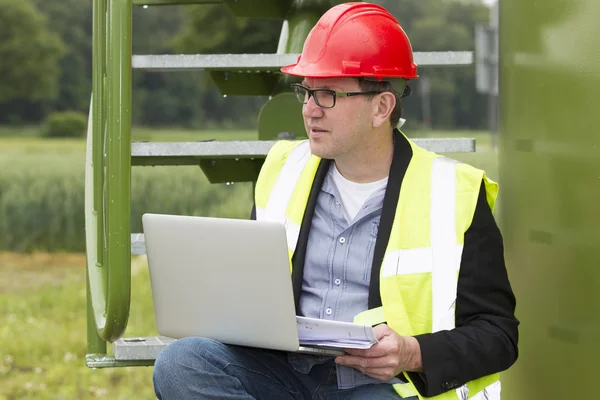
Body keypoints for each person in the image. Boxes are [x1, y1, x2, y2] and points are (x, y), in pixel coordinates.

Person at [152, 2, 519, 399]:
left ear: (381, 106)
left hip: (384, 388)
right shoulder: (281, 172)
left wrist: (412, 353)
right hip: (285, 373)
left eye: (327, 95)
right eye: (306, 92)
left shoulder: (454, 192)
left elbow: (498, 335)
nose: (309, 110)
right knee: (182, 365)